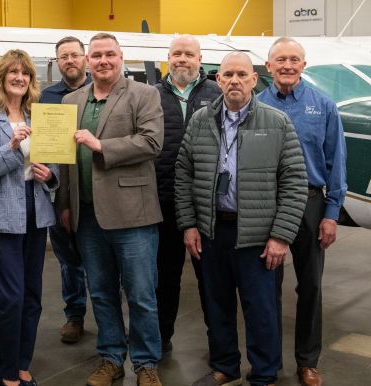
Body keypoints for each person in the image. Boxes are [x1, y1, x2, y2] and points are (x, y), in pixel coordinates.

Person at [175, 51, 307, 386]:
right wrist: (189, 224)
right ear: (217, 80)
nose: (234, 80)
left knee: (261, 310)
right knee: (216, 305)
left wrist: (280, 236)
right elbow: (183, 174)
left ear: (253, 79)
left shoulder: (277, 123)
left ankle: (263, 373)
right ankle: (224, 366)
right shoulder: (201, 120)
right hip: (212, 230)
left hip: (258, 236)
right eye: (227, 75)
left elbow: (294, 181)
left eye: (241, 75)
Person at [57, 33, 164, 386]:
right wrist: (66, 205)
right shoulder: (72, 101)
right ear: (87, 60)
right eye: (97, 55)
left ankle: (147, 364)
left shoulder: (144, 94)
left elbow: (151, 142)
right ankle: (111, 358)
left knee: (141, 295)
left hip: (132, 214)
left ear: (121, 58)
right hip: (86, 215)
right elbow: (67, 161)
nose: (103, 60)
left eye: (110, 55)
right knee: (101, 293)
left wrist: (100, 144)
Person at [257, 37, 347, 386]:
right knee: (266, 286)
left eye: (295, 59)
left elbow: (336, 160)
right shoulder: (255, 104)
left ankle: (307, 361)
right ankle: (268, 360)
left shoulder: (323, 106)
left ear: (303, 65)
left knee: (310, 286)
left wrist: (332, 212)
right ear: (269, 66)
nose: (288, 65)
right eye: (281, 59)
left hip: (311, 203)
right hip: (267, 202)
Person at [0, 48, 58, 386]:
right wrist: (10, 148)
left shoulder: (40, 117)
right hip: (1, 213)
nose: (20, 78)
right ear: (1, 77)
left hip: (36, 211)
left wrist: (50, 174)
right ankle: (7, 368)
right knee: (11, 295)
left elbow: (55, 165)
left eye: (26, 74)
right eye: (13, 73)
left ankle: (22, 362)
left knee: (33, 293)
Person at [153, 34, 220, 355]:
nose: (182, 59)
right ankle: (161, 338)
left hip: (206, 203)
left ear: (200, 58)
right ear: (168, 57)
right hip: (163, 201)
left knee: (210, 280)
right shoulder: (151, 96)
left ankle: (218, 342)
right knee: (164, 278)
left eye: (189, 54)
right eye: (176, 53)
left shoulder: (217, 94)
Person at [39, 35, 90, 344]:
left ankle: (111, 316)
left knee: (105, 259)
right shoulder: (46, 97)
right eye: (64, 57)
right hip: (59, 188)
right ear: (57, 62)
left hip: (95, 188)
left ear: (84, 58)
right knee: (68, 258)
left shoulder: (101, 91)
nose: (70, 60)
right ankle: (75, 314)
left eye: (75, 55)